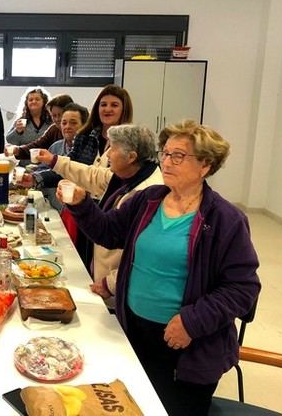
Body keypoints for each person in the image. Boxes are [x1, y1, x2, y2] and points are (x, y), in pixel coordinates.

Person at [58, 120, 261, 416]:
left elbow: (243, 288)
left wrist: (192, 322)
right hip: (133, 331)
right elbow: (109, 232)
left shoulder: (225, 219)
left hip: (184, 346)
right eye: (164, 153)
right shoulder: (149, 199)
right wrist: (81, 204)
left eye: (178, 156)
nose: (166, 161)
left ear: (205, 165)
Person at [51, 124, 163, 309]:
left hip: (121, 295)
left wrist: (111, 283)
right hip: (107, 279)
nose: (107, 154)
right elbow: (92, 175)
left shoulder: (147, 193)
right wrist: (54, 161)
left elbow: (141, 255)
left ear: (132, 157)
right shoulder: (127, 174)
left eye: (113, 148)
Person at [25, 84, 133, 191]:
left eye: (114, 105)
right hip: (82, 203)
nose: (107, 109)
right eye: (103, 105)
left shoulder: (129, 142)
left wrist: (54, 160)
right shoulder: (84, 137)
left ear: (124, 109)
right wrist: (35, 179)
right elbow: (67, 170)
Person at [11, 94, 74, 160]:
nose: (57, 119)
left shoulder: (79, 134)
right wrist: (17, 150)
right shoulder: (54, 129)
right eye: (54, 116)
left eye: (60, 115)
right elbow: (38, 145)